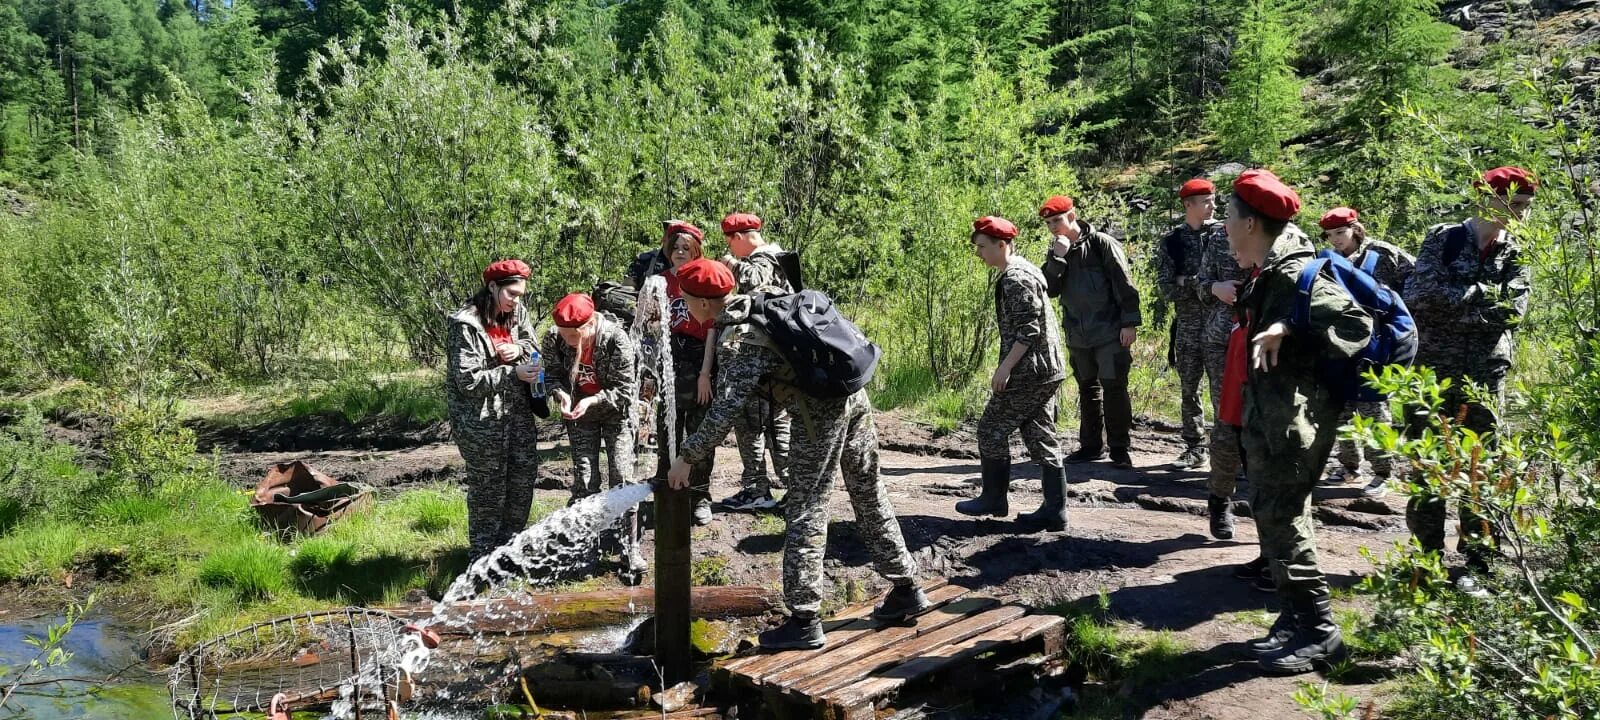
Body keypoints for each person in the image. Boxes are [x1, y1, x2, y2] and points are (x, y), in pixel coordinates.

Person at [665, 258, 926, 651]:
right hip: (853, 395)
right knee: (869, 491)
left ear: (703, 303)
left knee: (806, 505)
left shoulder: (740, 339)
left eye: (685, 299)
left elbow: (725, 410)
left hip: (819, 412)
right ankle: (907, 586)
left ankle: (804, 619)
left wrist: (686, 456)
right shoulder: (762, 301)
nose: (684, 306)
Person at [1227, 169, 1373, 674]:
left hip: (1296, 421)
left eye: (1229, 215)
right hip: (1273, 419)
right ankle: (1293, 618)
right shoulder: (1272, 265)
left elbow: (1355, 322)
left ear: (1248, 222)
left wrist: (1287, 327)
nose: (1224, 223)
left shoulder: (1292, 272)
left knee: (1285, 518)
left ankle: (1319, 629)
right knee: (1272, 514)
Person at [1401, 166, 1535, 596]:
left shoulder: (1518, 250)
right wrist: (1482, 294)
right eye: (1514, 205)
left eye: (1525, 208)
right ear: (1487, 200)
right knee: (1429, 468)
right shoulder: (1444, 238)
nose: (1521, 216)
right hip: (1432, 375)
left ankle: (1478, 564)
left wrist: (1459, 298)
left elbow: (1513, 312)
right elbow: (1419, 297)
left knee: (1481, 471)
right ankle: (1428, 561)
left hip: (1484, 378)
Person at [956, 216, 1070, 531]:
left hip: (1030, 371)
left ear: (1001, 244)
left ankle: (994, 499)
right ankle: (1054, 510)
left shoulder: (1015, 278)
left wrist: (1005, 368)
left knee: (990, 429)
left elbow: (1029, 330)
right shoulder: (1025, 269)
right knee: (1040, 434)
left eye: (982, 247)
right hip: (1047, 369)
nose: (978, 253)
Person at [542, 292, 646, 581]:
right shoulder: (554, 338)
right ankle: (585, 549)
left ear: (588, 327)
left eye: (572, 337)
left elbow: (625, 391)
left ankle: (630, 549)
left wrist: (591, 400)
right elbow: (550, 375)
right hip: (579, 415)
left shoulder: (616, 339)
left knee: (622, 478)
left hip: (616, 414)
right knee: (585, 480)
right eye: (563, 336)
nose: (567, 341)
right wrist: (561, 395)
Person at [445, 259, 542, 562]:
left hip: (517, 415)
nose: (516, 301)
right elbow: (468, 382)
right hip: (481, 423)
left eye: (520, 295)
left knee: (522, 481)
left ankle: (508, 553)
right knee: (488, 491)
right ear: (492, 287)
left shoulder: (517, 312)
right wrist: (513, 373)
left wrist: (520, 349)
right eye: (511, 294)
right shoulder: (466, 324)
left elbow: (531, 342)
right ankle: (481, 560)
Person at [1317, 207, 1416, 498]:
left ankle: (1382, 472)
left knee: (1375, 410)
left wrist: (1398, 313)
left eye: (1341, 232)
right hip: (1338, 345)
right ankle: (1349, 466)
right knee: (1341, 410)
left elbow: (1416, 280)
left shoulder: (1384, 254)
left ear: (1355, 228)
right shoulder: (1326, 259)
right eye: (1330, 234)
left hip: (1377, 345)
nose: (1335, 240)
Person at [1039, 195, 1143, 469]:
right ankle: (1090, 447)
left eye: (1057, 220)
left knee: (1114, 387)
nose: (1053, 227)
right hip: (1078, 334)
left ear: (1072, 216)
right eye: (1049, 223)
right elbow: (1048, 290)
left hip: (1110, 331)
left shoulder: (1101, 244)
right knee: (1087, 389)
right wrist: (1057, 259)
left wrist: (1129, 323)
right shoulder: (1057, 251)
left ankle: (1120, 449)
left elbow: (1124, 283)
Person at [640, 221, 720, 526]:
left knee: (700, 433)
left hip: (700, 359)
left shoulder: (702, 279)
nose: (680, 253)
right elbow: (647, 329)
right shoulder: (658, 281)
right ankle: (667, 490)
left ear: (696, 250)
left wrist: (705, 374)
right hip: (669, 361)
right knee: (666, 430)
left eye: (686, 248)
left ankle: (700, 496)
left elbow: (712, 328)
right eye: (675, 248)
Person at [714, 212, 793, 512]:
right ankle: (764, 488)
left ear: (740, 237)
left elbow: (753, 281)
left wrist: (732, 265)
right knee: (763, 424)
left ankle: (780, 489)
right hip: (770, 359)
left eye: (731, 245)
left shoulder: (765, 259)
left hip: (762, 359)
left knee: (759, 424)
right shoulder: (777, 258)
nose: (731, 251)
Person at [1195, 182, 1254, 545]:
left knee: (1263, 428)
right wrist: (1215, 288)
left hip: (1264, 341)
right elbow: (1201, 285)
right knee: (1228, 424)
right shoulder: (1219, 238)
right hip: (1222, 340)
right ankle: (1221, 499)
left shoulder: (1288, 243)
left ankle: (1265, 510)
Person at [1155, 179, 1225, 469]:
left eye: (1213, 200)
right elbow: (1167, 288)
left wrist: (1190, 281)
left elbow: (1234, 278)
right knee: (1189, 389)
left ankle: (1227, 451)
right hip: (1187, 326)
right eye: (1206, 201)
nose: (1213, 206)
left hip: (1220, 324)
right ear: (1188, 205)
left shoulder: (1224, 235)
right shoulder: (1172, 241)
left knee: (1223, 391)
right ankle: (1195, 447)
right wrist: (1207, 285)